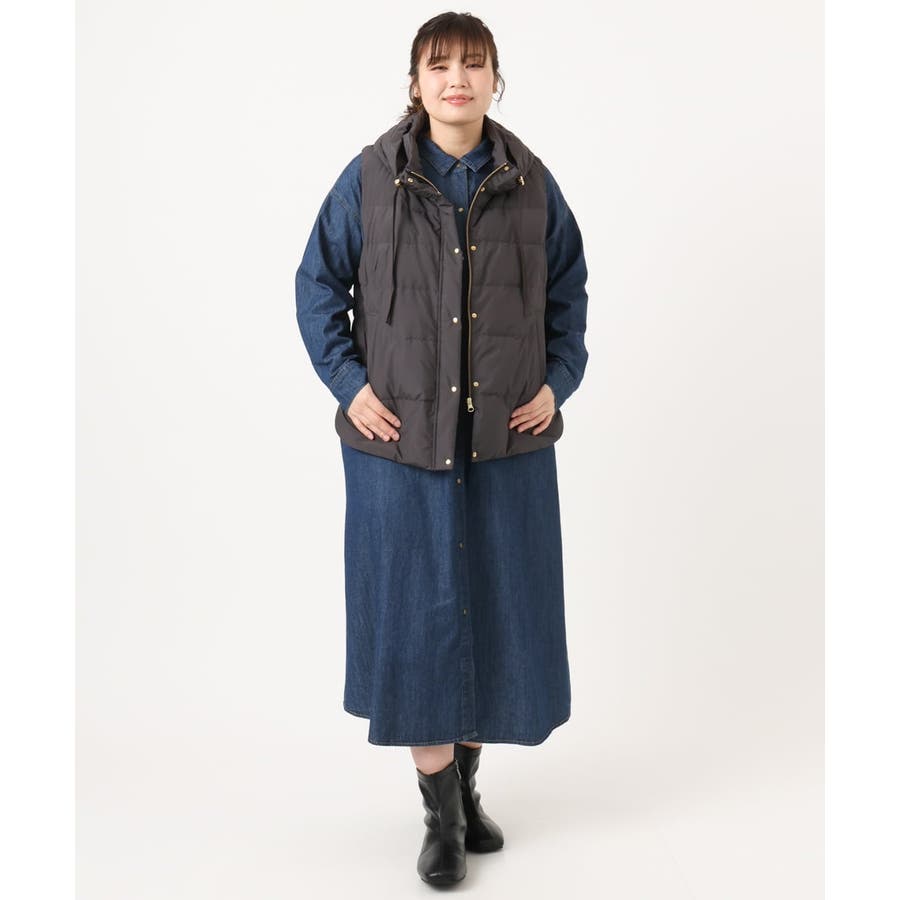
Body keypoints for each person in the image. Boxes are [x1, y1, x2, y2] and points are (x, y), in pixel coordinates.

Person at [294, 11, 589, 886]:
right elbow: (317, 287)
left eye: (473, 64)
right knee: (419, 621)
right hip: (401, 450)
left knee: (493, 614)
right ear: (416, 82)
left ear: (497, 78)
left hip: (504, 443)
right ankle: (442, 818)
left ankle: (464, 790)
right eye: (439, 65)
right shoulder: (369, 177)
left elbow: (569, 295)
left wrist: (557, 382)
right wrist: (351, 385)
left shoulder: (532, 183)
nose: (456, 79)